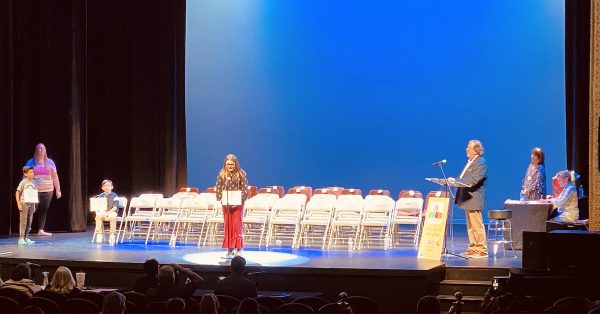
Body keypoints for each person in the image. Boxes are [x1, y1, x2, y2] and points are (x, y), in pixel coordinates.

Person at [450, 139, 488, 258]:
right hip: (468, 198)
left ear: (476, 151)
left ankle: (482, 249)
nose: (466, 149)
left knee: (477, 224)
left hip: (474, 197)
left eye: (469, 147)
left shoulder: (481, 162)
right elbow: (464, 178)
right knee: (470, 225)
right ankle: (473, 247)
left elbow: (473, 180)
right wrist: (454, 181)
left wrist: (456, 181)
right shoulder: (471, 161)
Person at [24, 143, 62, 236]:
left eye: (42, 148)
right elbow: (24, 176)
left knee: (43, 210)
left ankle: (41, 230)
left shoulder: (50, 162)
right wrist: (22, 188)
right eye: (39, 148)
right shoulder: (31, 162)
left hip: (48, 190)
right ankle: (26, 229)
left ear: (45, 150)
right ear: (36, 150)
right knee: (31, 209)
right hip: (34, 190)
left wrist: (58, 190)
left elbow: (55, 177)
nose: (41, 150)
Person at [215, 154, 248, 258]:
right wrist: (221, 198)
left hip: (238, 204)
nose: (230, 166)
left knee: (236, 226)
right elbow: (219, 188)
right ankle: (230, 249)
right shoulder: (222, 174)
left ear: (236, 164)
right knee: (228, 226)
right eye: (228, 164)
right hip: (226, 204)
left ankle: (239, 248)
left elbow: (245, 189)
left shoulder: (241, 174)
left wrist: (239, 201)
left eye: (232, 164)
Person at [15, 166, 38, 245]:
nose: (32, 174)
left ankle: (26, 237)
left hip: (31, 204)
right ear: (25, 174)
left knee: (30, 221)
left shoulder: (34, 183)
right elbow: (17, 192)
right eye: (30, 172)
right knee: (23, 221)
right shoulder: (23, 182)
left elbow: (34, 194)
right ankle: (21, 238)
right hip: (24, 203)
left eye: (33, 172)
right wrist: (19, 204)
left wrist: (34, 205)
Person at [94, 179, 119, 245]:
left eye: (108, 185)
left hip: (112, 211)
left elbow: (115, 207)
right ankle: (99, 234)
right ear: (102, 188)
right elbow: (98, 207)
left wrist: (108, 213)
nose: (107, 187)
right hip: (103, 211)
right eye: (105, 186)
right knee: (98, 215)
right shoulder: (100, 196)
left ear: (112, 187)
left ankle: (112, 235)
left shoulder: (115, 195)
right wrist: (99, 211)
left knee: (113, 216)